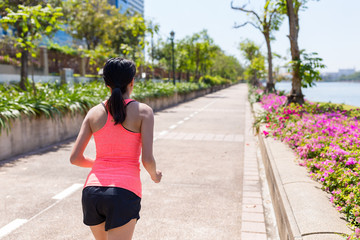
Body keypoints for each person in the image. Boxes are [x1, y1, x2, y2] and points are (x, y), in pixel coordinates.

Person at [70, 57, 162, 240]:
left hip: (91, 193)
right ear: (132, 82)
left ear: (106, 84)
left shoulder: (94, 113)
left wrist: (102, 164)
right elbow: (147, 160)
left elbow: (75, 158)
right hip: (123, 192)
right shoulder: (144, 112)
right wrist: (154, 175)